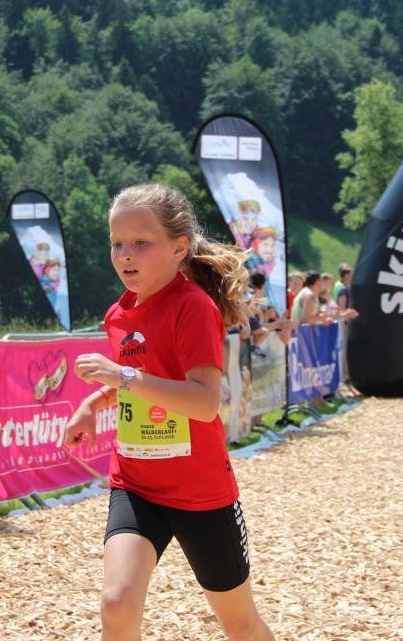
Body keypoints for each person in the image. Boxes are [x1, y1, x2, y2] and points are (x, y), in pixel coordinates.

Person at [64, 183, 274, 641]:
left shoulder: (193, 308)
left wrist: (120, 376)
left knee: (240, 624)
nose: (125, 255)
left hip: (201, 494)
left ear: (179, 248)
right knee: (116, 604)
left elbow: (202, 402)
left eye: (141, 242)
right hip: (136, 485)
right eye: (117, 243)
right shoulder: (118, 316)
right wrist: (92, 404)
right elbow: (142, 384)